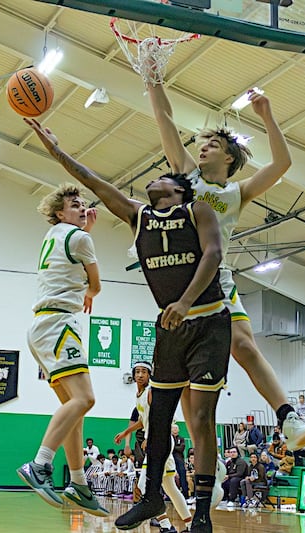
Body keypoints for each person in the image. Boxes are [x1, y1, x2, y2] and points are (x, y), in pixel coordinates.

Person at [26, 118, 230, 533]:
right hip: (170, 328)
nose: (151, 182)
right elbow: (95, 182)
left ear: (178, 189)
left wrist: (185, 300)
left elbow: (213, 255)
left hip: (207, 320)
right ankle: (153, 495)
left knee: (202, 419)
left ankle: (203, 514)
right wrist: (56, 152)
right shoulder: (140, 217)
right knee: (157, 418)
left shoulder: (198, 210)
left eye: (161, 179)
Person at [145, 78, 305, 452]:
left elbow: (282, 163)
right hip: (177, 288)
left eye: (212, 144)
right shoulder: (187, 178)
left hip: (215, 283)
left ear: (229, 158)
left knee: (245, 346)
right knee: (190, 392)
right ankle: (205, 456)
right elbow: (164, 119)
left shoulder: (236, 193)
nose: (203, 147)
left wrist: (267, 115)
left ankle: (288, 417)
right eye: (202, 143)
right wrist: (153, 81)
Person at [17, 183, 109, 517]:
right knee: (85, 400)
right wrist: (89, 290)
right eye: (75, 204)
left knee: (75, 408)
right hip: (60, 325)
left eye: (84, 203)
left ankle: (79, 483)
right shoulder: (81, 238)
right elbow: (96, 285)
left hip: (43, 326)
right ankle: (40, 465)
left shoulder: (54, 235)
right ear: (59, 212)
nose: (83, 208)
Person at [115, 361, 192, 533]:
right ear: (133, 375)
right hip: (158, 441)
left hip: (160, 442)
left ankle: (166, 527)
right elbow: (144, 420)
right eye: (138, 372)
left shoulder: (151, 392)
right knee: (170, 487)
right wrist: (126, 432)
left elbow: (163, 417)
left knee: (143, 486)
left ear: (150, 375)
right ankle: (190, 526)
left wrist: (152, 438)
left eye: (144, 372)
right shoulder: (139, 395)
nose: (140, 375)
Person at [172, 423, 189, 499]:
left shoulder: (181, 439)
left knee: (183, 476)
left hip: (180, 460)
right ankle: (172, 495)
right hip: (171, 460)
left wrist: (173, 447)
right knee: (171, 477)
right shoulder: (169, 438)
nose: (175, 429)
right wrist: (176, 447)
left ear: (179, 430)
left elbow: (181, 448)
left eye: (176, 428)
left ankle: (186, 495)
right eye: (174, 428)